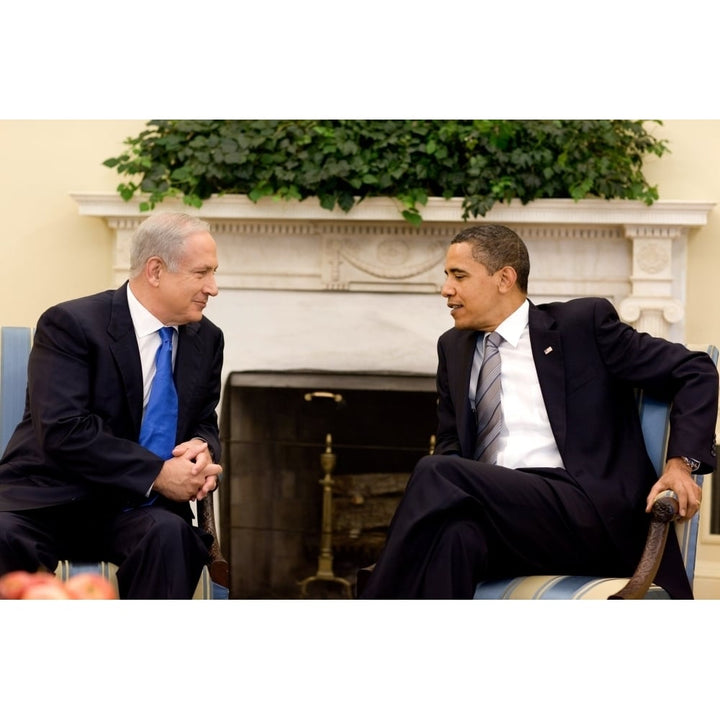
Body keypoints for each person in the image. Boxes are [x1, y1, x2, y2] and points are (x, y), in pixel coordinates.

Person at [360, 224, 718, 599]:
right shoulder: (454, 348)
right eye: (447, 276)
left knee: (436, 471)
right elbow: (452, 442)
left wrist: (680, 464)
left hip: (586, 512)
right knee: (455, 537)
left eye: (459, 276)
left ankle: (372, 608)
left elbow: (694, 370)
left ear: (504, 278)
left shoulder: (582, 325)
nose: (446, 289)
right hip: (506, 520)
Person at [0, 212, 224, 599]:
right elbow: (64, 429)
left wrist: (202, 451)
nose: (214, 288)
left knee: (172, 538)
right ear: (156, 270)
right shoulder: (71, 324)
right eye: (202, 273)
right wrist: (158, 473)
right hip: (49, 498)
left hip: (139, 511)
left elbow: (204, 421)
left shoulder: (207, 339)